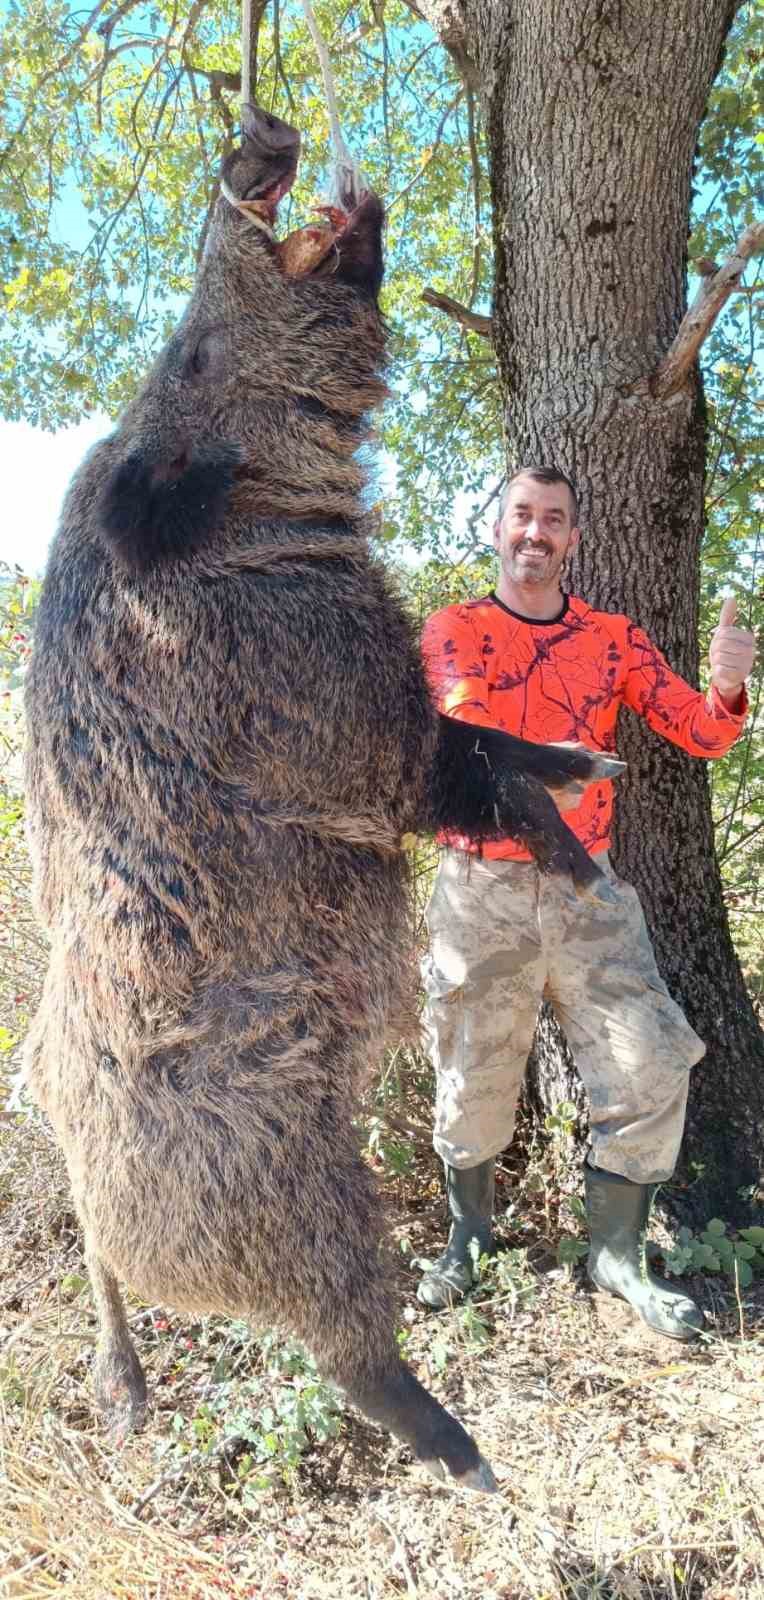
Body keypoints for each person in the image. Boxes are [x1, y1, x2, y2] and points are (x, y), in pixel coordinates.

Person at [417, 465, 756, 1339]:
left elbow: (701, 733)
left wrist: (726, 688)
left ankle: (615, 1256)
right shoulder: (453, 630)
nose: (536, 532)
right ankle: (470, 1239)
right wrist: (540, 770)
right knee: (472, 1066)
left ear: (573, 539)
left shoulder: (612, 636)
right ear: (496, 529)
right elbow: (467, 724)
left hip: (588, 888)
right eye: (522, 516)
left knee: (649, 1061)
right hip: (479, 889)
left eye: (554, 520)